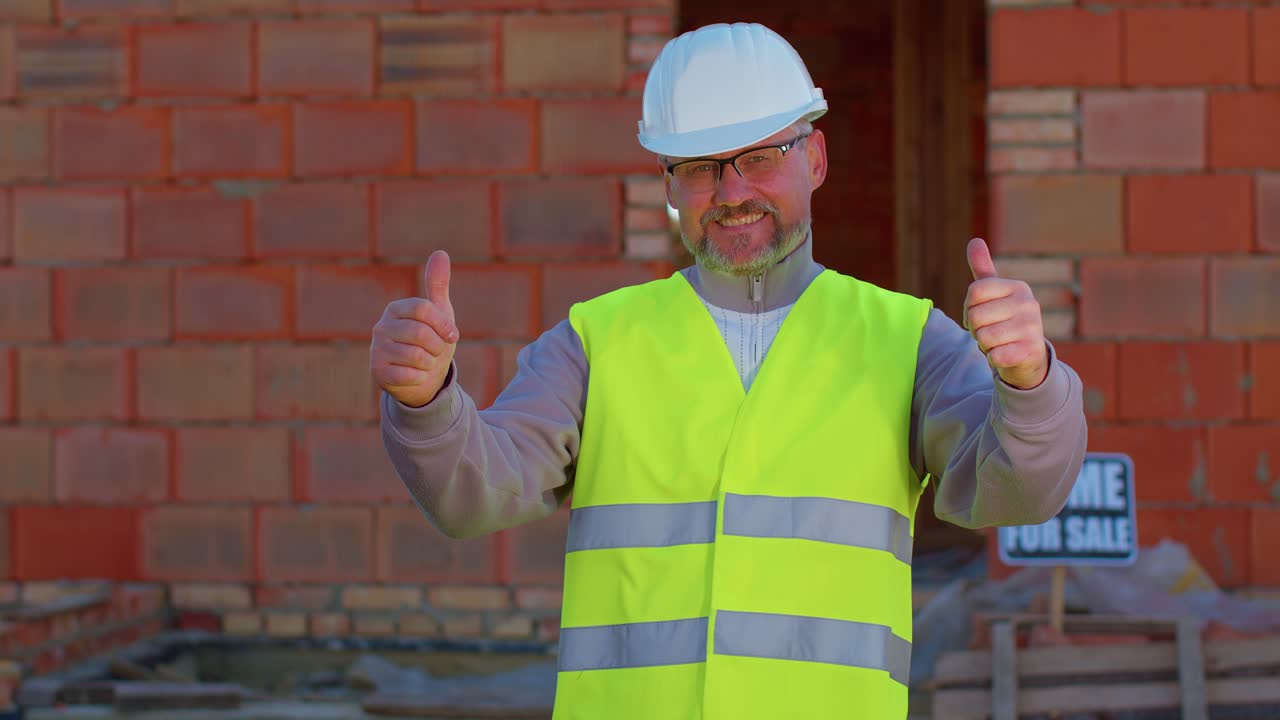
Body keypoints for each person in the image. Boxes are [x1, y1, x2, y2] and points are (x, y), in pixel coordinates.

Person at [371, 22, 1087, 720]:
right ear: (669, 184)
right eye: (700, 166)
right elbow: (474, 498)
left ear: (817, 159)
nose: (732, 190)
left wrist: (1029, 385)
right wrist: (428, 402)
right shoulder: (596, 342)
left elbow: (1017, 494)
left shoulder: (910, 341)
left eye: (761, 156)